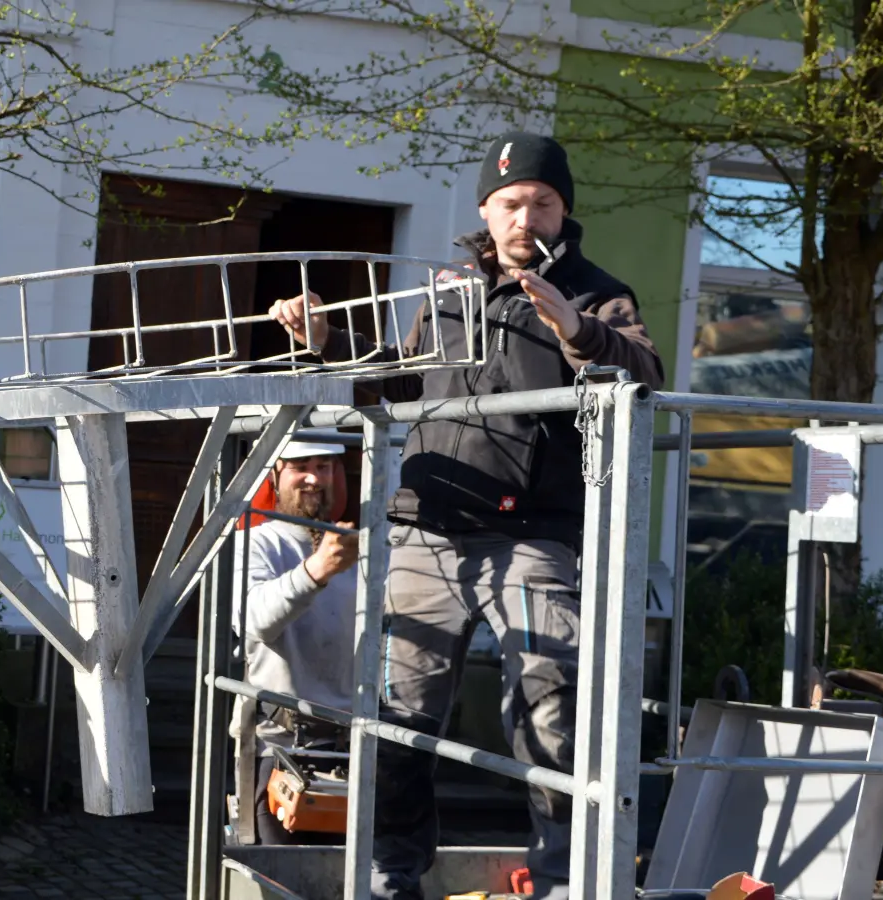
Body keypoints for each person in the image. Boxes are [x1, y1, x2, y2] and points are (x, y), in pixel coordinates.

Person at [269, 132, 664, 900]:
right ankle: (391, 877)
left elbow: (645, 373)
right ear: (486, 208)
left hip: (531, 537)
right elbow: (402, 379)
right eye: (511, 203)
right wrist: (326, 341)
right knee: (396, 722)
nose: (526, 217)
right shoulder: (450, 289)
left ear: (564, 211)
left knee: (551, 713)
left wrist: (577, 330)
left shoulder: (597, 293)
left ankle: (560, 881)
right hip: (426, 527)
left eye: (542, 203)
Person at [234, 435, 361, 846]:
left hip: (356, 747)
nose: (313, 478)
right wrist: (316, 570)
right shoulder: (255, 543)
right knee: (276, 873)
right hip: (280, 746)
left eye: (323, 466)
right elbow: (253, 620)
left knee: (347, 874)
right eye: (300, 467)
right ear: (276, 474)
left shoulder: (361, 549)